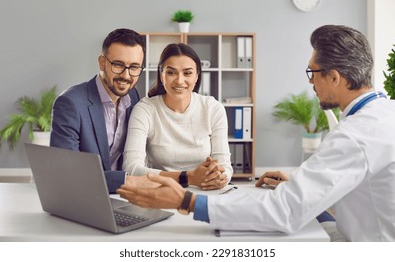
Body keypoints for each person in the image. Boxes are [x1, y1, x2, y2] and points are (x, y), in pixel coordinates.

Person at [117, 25, 395, 241]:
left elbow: (284, 212)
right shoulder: (381, 115)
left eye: (313, 72)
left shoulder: (355, 134)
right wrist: (298, 182)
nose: (311, 81)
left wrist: (187, 200)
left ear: (334, 77)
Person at [122, 43, 232, 190]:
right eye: (171, 72)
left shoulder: (213, 108)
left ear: (197, 76)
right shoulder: (145, 110)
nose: (179, 81)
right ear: (161, 75)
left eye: (187, 73)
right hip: (160, 191)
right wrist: (188, 178)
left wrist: (220, 178)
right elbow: (131, 168)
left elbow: (225, 165)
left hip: (205, 190)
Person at [50, 28, 145, 193]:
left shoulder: (134, 96)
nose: (126, 75)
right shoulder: (70, 104)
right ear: (102, 62)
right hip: (85, 197)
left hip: (126, 198)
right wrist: (129, 181)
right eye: (118, 65)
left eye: (134, 67)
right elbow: (66, 174)